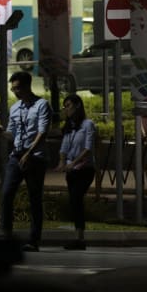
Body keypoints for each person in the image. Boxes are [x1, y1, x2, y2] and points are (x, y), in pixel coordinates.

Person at [0, 70, 52, 252]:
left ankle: (33, 240)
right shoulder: (14, 108)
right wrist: (1, 133)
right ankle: (5, 236)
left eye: (17, 88)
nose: (15, 92)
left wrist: (29, 152)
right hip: (16, 156)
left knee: (34, 199)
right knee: (6, 194)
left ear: (27, 86)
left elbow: (43, 131)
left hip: (35, 158)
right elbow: (11, 134)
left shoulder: (42, 105)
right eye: (12, 89)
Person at [55, 93, 97, 250]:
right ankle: (78, 237)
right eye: (64, 107)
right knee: (74, 201)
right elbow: (64, 148)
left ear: (78, 105)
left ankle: (80, 238)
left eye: (69, 106)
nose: (66, 110)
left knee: (77, 198)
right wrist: (61, 162)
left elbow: (88, 148)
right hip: (71, 171)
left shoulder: (88, 125)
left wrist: (73, 163)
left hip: (85, 170)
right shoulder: (69, 127)